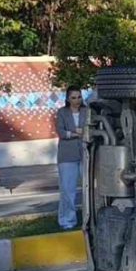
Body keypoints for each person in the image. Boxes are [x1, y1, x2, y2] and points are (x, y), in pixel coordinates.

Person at [55, 86, 87, 230]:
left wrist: (74, 132)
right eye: (73, 97)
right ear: (68, 99)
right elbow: (61, 132)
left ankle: (88, 218)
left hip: (85, 154)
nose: (77, 100)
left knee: (89, 189)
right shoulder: (62, 112)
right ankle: (67, 221)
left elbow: (91, 129)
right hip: (67, 155)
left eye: (79, 97)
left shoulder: (87, 111)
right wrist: (77, 133)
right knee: (68, 190)